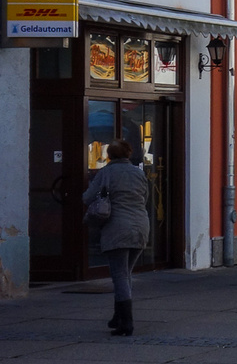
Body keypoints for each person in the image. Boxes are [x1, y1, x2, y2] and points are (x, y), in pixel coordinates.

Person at [83, 138, 150, 336]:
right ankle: (117, 317)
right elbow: (144, 198)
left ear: (109, 155)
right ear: (129, 154)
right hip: (141, 226)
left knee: (119, 275)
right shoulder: (139, 174)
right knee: (125, 274)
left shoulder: (106, 172)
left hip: (117, 227)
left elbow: (87, 197)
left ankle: (126, 323)